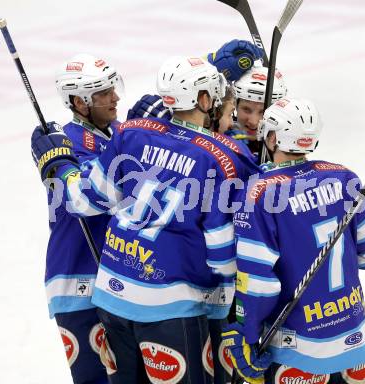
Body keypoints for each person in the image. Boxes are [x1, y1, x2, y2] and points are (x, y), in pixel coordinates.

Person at [31, 56, 260, 383]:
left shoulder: (131, 134)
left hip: (111, 297)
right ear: (205, 100)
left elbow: (82, 199)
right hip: (173, 305)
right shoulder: (224, 157)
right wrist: (233, 309)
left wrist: (60, 167)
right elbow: (223, 249)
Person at [222, 98, 365, 384]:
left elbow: (258, 282)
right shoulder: (343, 176)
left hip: (295, 348)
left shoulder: (257, 195)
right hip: (354, 338)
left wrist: (246, 332)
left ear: (272, 137)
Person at [40, 53, 125, 384]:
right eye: (103, 93)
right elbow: (93, 197)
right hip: (77, 280)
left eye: (112, 88)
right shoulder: (64, 143)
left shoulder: (119, 132)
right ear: (79, 101)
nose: (115, 97)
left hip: (117, 278)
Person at [231, 65, 287, 155]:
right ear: (235, 105)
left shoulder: (285, 149)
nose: (253, 122)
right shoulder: (219, 132)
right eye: (246, 109)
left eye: (263, 112)